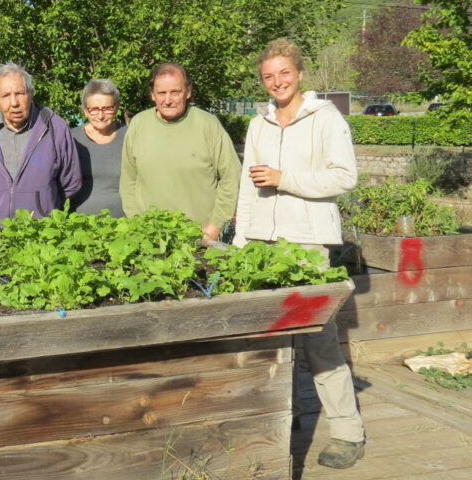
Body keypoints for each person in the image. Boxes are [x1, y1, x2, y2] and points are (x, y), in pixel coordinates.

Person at [233, 38, 363, 469]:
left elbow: (344, 177)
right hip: (263, 248)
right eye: (268, 76)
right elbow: (247, 186)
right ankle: (283, 414)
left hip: (307, 248)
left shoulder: (325, 118)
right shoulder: (258, 125)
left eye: (284, 73)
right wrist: (242, 241)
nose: (277, 82)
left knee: (318, 340)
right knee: (269, 340)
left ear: (300, 73)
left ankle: (347, 431)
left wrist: (284, 178)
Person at [120, 63, 241, 241]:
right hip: (149, 237)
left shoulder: (208, 125)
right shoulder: (138, 124)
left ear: (188, 91)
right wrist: (136, 223)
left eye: (175, 92)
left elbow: (231, 177)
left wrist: (215, 225)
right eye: (161, 93)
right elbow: (128, 180)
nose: (168, 100)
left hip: (199, 237)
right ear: (152, 95)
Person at [0, 62, 81, 221]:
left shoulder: (55, 128)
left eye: (20, 93)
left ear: (31, 94)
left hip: (39, 233)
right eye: (6, 96)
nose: (14, 103)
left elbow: (71, 183)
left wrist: (43, 206)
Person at [71, 78, 128, 217]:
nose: (101, 116)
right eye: (94, 109)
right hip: (79, 225)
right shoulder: (71, 139)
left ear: (116, 107)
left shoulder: (130, 136)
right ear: (85, 110)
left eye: (107, 108)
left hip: (124, 225)